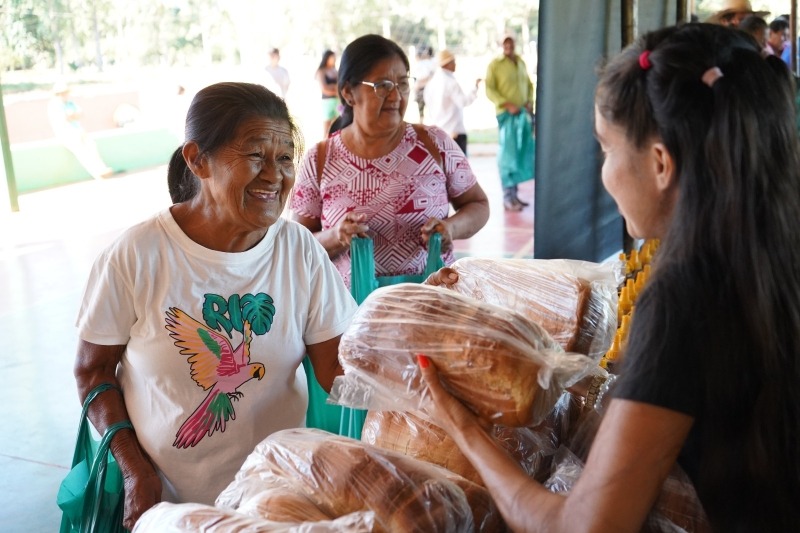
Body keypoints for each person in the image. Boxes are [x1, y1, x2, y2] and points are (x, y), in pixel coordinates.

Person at [418, 23, 800, 532]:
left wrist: (463, 428)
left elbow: (585, 527)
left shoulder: (685, 296)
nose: (604, 172)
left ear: (661, 162)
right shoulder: (773, 253)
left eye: (606, 148)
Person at [73, 82, 358, 529]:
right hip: (171, 506)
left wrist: (415, 371)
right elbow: (93, 372)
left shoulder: (298, 250)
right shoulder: (137, 255)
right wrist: (133, 469)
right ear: (197, 159)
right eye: (255, 156)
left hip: (278, 500)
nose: (274, 176)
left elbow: (337, 370)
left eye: (285, 158)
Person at [290, 33, 490, 290]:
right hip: (348, 310)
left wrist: (451, 228)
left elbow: (478, 204)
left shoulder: (435, 144)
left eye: (403, 84)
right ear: (349, 93)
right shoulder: (320, 159)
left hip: (432, 304)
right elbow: (297, 245)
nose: (396, 96)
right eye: (383, 86)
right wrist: (335, 236)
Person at [485, 35, 535, 211]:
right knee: (508, 156)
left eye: (511, 43)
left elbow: (529, 85)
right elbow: (489, 89)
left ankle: (515, 196)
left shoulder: (520, 62)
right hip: (507, 115)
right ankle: (507, 197)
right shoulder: (495, 65)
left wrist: (529, 102)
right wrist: (506, 104)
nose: (508, 46)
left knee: (520, 155)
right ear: (502, 45)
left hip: (522, 114)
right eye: (505, 44)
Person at [48, 81, 113, 180]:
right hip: (65, 134)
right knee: (81, 151)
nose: (64, 95)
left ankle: (102, 169)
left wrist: (72, 116)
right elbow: (65, 118)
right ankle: (97, 173)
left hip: (78, 130)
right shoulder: (54, 105)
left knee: (91, 145)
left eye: (65, 92)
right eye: (61, 93)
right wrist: (72, 116)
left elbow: (80, 114)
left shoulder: (70, 103)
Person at [423, 49, 481, 155]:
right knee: (458, 164)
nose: (455, 64)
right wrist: (475, 88)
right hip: (454, 132)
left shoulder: (431, 84)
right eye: (453, 61)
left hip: (439, 133)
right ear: (447, 64)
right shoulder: (450, 83)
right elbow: (464, 102)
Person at [316, 50, 339, 138]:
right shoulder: (321, 71)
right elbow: (324, 88)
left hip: (337, 101)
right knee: (326, 129)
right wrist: (336, 91)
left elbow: (340, 85)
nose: (334, 59)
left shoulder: (335, 71)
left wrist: (333, 88)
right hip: (327, 102)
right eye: (332, 58)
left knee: (337, 126)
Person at [413, 45, 436, 122]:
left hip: (427, 88)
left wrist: (420, 84)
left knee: (431, 111)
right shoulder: (421, 63)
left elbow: (431, 76)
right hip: (422, 88)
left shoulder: (431, 62)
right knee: (422, 111)